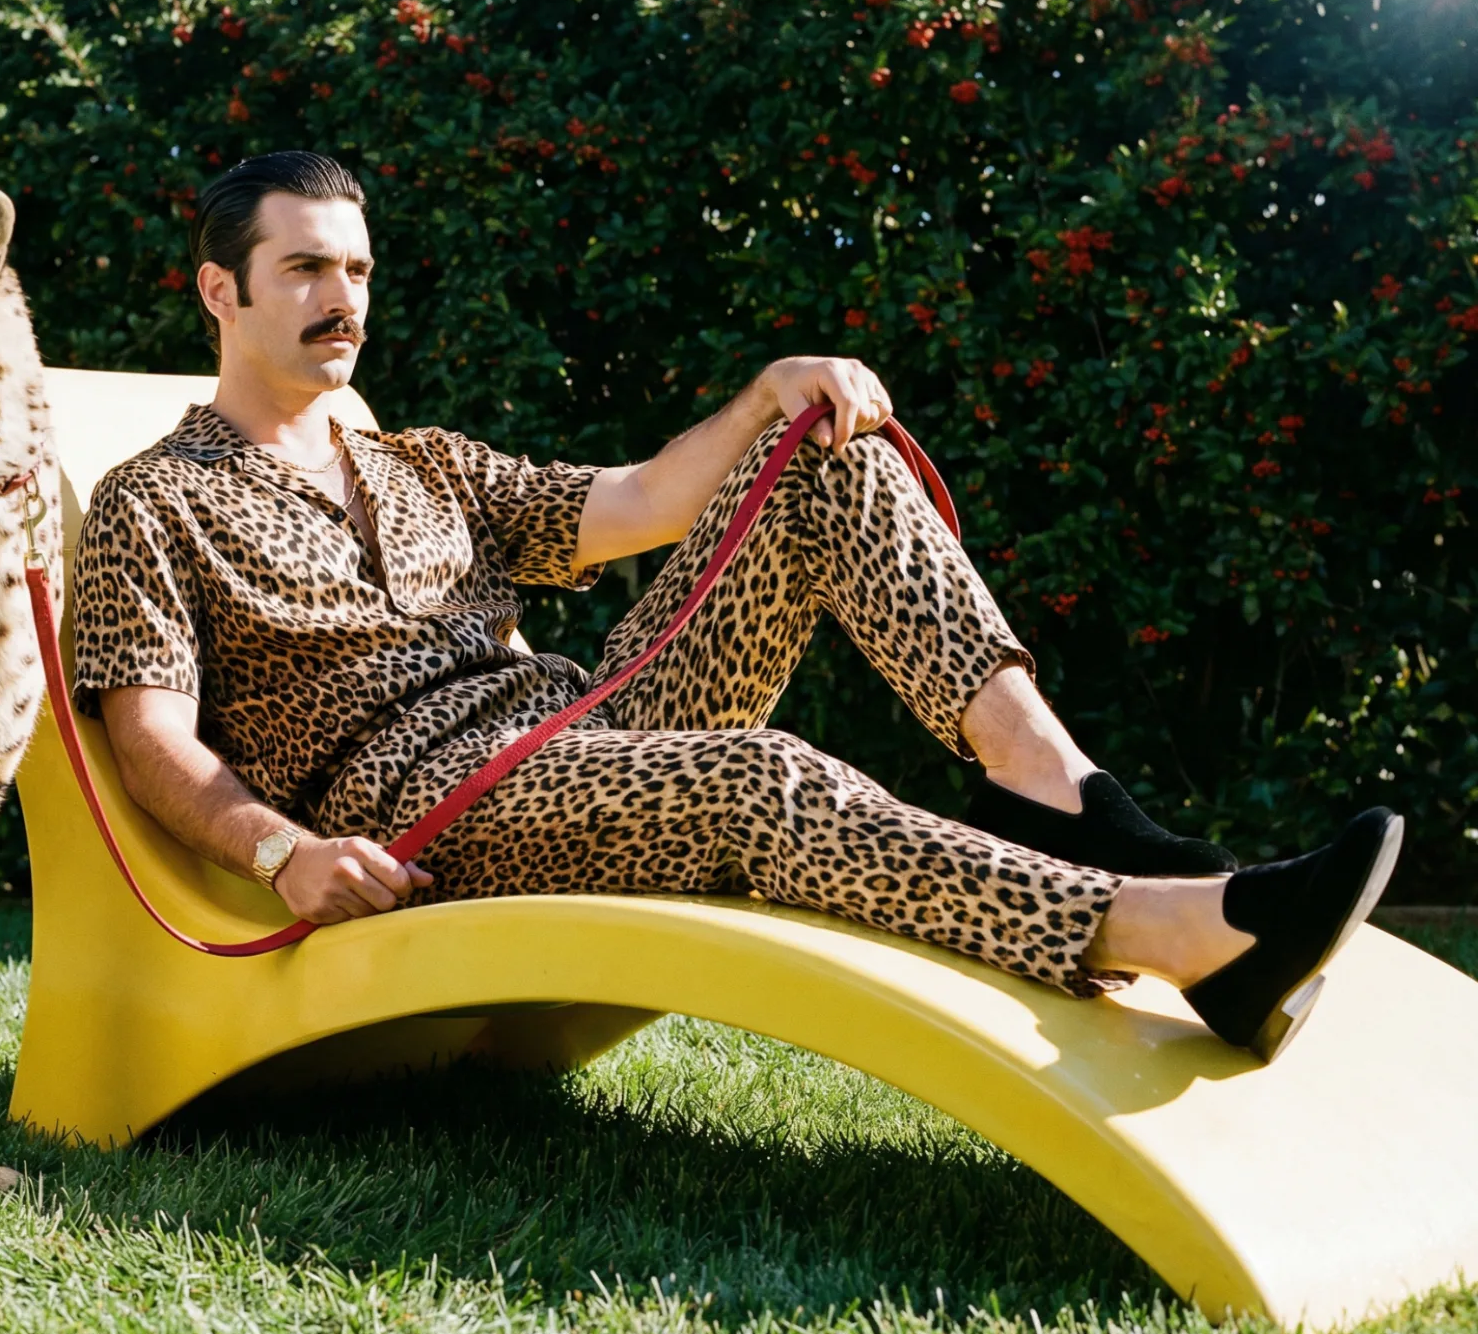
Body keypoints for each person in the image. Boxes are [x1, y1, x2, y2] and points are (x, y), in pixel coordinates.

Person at [70, 151, 1401, 1063]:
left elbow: (645, 499)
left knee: (835, 457)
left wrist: (773, 390)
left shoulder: (425, 459)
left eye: (355, 271)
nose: (342, 300)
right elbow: (150, 735)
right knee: (752, 781)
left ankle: (1064, 797)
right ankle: (1171, 935)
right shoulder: (154, 500)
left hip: (574, 722)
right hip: (421, 806)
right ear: (219, 289)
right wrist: (278, 852)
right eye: (304, 270)